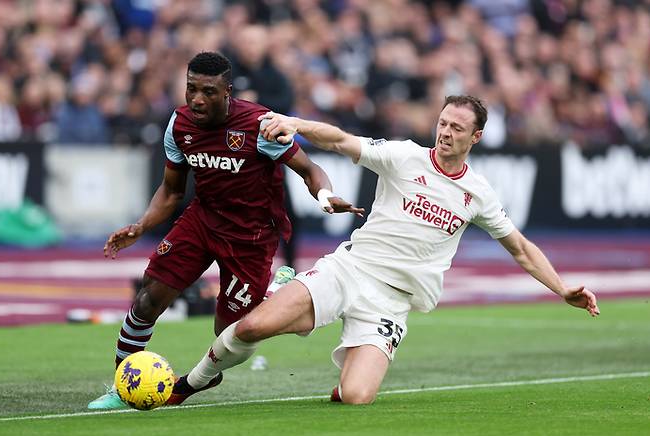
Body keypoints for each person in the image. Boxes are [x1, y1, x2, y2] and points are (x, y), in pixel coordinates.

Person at [165, 95, 599, 406]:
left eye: (457, 128)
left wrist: (562, 289)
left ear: (477, 136)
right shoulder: (403, 156)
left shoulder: (478, 194)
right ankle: (189, 383)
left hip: (392, 302)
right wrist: (296, 124)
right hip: (351, 270)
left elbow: (520, 248)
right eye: (443, 123)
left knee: (355, 397)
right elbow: (339, 140)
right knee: (250, 329)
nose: (445, 132)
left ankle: (331, 347)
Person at [88, 51, 363, 409]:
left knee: (229, 335)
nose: (197, 99)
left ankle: (267, 298)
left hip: (250, 238)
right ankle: (122, 388)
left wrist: (325, 196)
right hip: (202, 221)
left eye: (208, 91)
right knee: (147, 299)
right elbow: (171, 191)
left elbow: (309, 170)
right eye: (191, 89)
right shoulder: (180, 125)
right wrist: (141, 226)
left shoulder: (259, 125)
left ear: (228, 92)